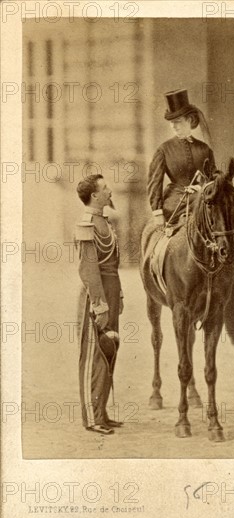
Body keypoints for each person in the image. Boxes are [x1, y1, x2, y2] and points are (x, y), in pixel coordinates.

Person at [75, 174, 124, 435]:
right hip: (97, 298)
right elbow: (88, 268)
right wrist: (100, 304)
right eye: (105, 188)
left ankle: (102, 412)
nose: (110, 191)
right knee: (94, 355)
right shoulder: (86, 224)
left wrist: (119, 296)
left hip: (112, 293)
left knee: (110, 349)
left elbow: (113, 266)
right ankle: (92, 418)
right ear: (95, 195)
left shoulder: (105, 222)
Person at [147, 89, 216, 225]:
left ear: (189, 120)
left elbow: (213, 180)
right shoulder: (164, 150)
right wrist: (157, 212)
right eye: (171, 122)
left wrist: (200, 187)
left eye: (178, 121)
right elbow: (154, 183)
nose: (174, 126)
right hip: (174, 201)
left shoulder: (204, 149)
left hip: (201, 199)